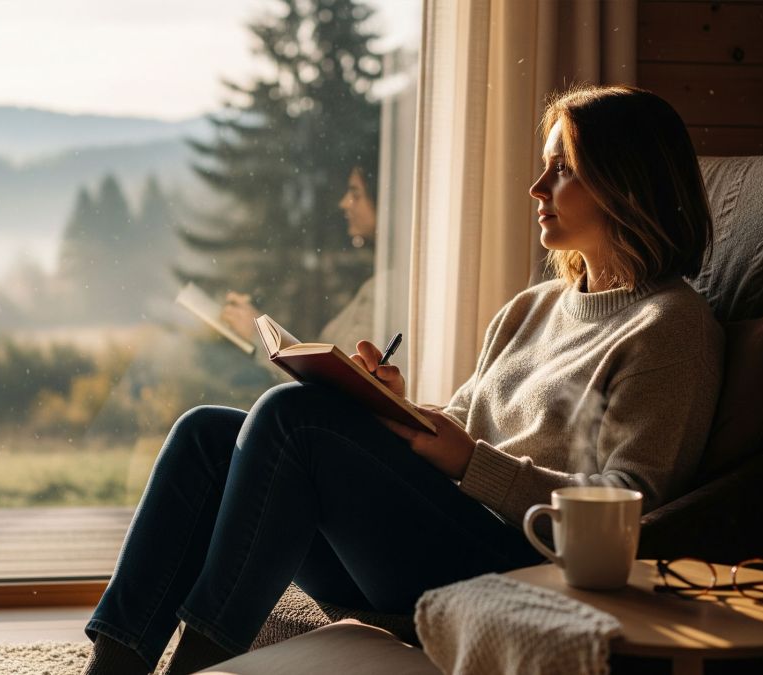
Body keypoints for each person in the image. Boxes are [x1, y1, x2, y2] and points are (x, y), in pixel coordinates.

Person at [82, 84, 723, 675]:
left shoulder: (671, 326)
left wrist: (470, 462)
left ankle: (198, 666)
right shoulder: (532, 308)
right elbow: (467, 427)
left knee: (290, 418)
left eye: (562, 169)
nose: (537, 186)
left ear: (626, 184)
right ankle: (111, 668)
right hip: (434, 540)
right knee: (206, 435)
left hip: (527, 570)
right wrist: (393, 410)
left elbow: (630, 506)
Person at [219, 162, 379, 356]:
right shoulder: (379, 286)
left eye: (356, 194)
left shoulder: (386, 291)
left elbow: (334, 379)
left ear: (382, 199)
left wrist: (261, 337)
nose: (344, 203)